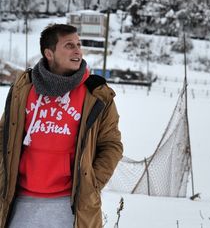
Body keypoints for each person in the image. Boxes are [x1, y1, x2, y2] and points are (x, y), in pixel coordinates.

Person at [0, 24, 123, 228]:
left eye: (78, 44)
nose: (77, 50)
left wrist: (91, 185)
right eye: (69, 45)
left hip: (70, 206)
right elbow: (3, 136)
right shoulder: (23, 89)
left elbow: (111, 145)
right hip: (20, 202)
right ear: (49, 53)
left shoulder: (96, 93)